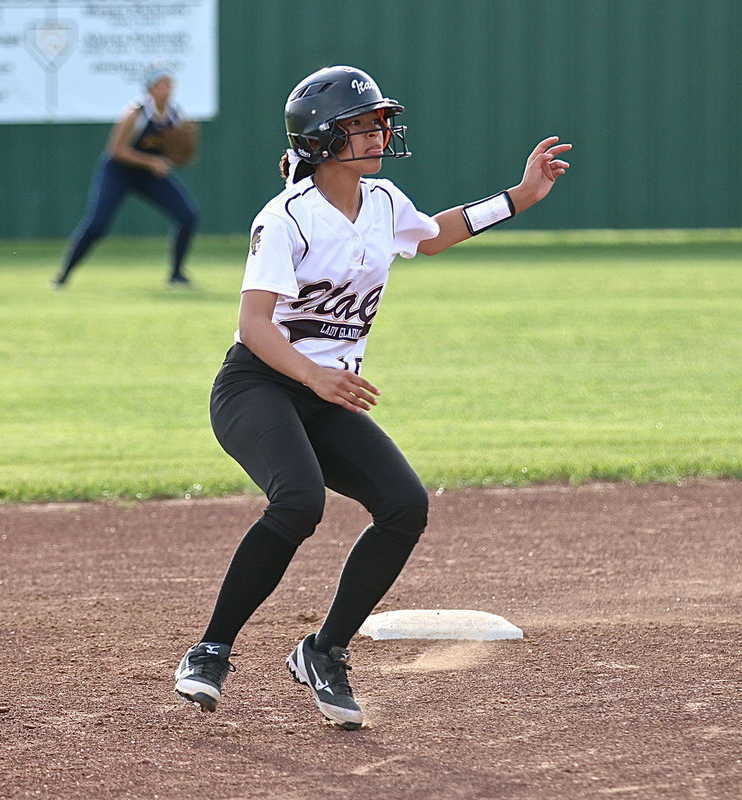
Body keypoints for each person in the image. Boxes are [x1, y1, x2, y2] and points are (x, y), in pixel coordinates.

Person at [174, 65, 571, 730]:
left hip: (326, 392)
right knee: (297, 501)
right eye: (360, 125)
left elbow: (435, 235)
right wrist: (314, 376)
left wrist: (519, 198)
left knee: (403, 506)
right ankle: (210, 651)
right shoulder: (287, 218)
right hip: (259, 384)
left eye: (378, 121)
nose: (377, 132)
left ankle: (322, 651)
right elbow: (253, 326)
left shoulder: (382, 202)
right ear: (322, 140)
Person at [51, 65, 198, 288]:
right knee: (97, 225)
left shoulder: (175, 115)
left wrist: (179, 154)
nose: (167, 89)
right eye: (162, 84)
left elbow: (177, 151)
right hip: (118, 172)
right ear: (150, 89)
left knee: (188, 215)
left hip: (149, 175)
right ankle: (63, 275)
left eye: (170, 84)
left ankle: (176, 275)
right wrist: (151, 161)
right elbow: (116, 150)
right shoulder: (135, 113)